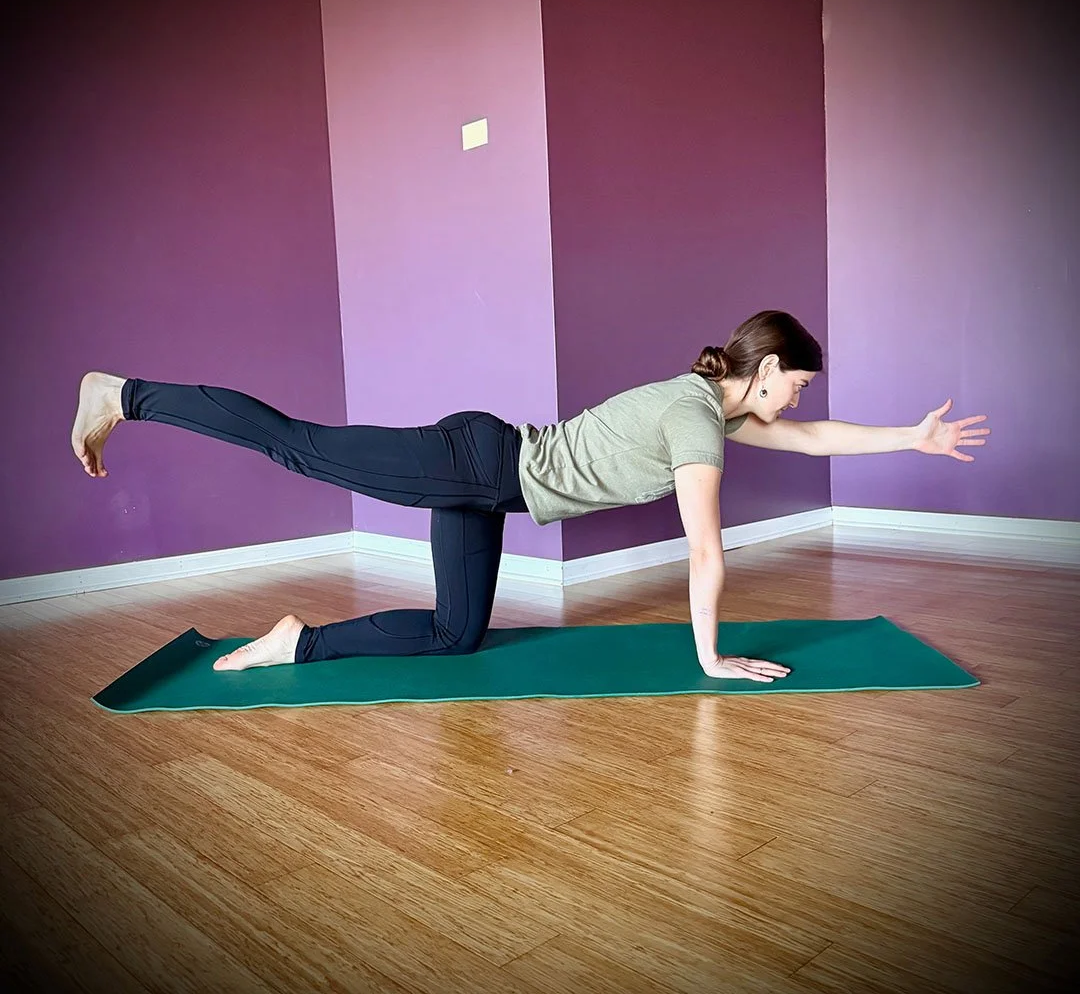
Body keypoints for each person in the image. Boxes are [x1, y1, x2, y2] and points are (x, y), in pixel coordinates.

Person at [70, 310, 989, 682]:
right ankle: (123, 394)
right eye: (799, 384)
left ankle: (293, 642)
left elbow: (809, 436)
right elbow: (707, 550)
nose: (799, 402)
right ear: (773, 368)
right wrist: (709, 659)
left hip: (490, 483)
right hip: (475, 463)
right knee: (299, 448)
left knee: (454, 632)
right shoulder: (699, 421)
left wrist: (912, 434)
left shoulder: (709, 406)